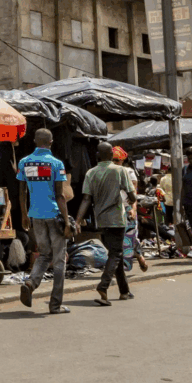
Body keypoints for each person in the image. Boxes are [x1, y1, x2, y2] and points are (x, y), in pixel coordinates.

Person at [16, 127, 72, 315]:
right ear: (51, 142)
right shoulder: (56, 164)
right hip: (54, 216)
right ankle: (55, 304)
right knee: (59, 261)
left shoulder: (24, 162)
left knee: (44, 254)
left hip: (35, 215)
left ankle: (31, 283)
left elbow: (22, 191)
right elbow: (60, 195)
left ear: (34, 141)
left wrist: (24, 214)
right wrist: (67, 221)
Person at [77, 142, 137, 306]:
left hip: (101, 219)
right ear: (111, 155)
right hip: (117, 218)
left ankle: (124, 291)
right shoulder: (120, 170)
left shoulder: (91, 173)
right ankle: (103, 286)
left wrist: (77, 220)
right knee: (116, 253)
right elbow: (132, 195)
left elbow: (86, 199)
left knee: (115, 253)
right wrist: (133, 201)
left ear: (97, 156)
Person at [111, 148, 148, 274]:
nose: (115, 163)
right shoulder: (107, 172)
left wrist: (132, 209)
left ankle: (125, 268)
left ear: (122, 160)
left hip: (126, 208)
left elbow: (133, 195)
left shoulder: (129, 172)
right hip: (112, 209)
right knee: (126, 238)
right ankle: (139, 255)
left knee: (127, 237)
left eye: (117, 160)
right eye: (112, 160)